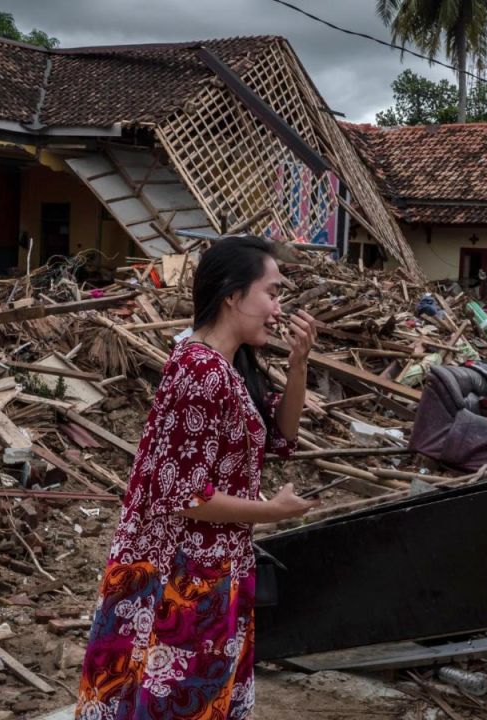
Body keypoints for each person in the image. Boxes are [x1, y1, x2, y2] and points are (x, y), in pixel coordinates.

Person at [75, 235, 319, 719]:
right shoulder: (200, 371)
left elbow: (282, 437)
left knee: (191, 699)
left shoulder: (225, 366)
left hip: (210, 570)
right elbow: (185, 496)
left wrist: (298, 367)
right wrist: (272, 512)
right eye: (271, 292)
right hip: (179, 579)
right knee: (175, 700)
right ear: (232, 295)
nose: (278, 308)